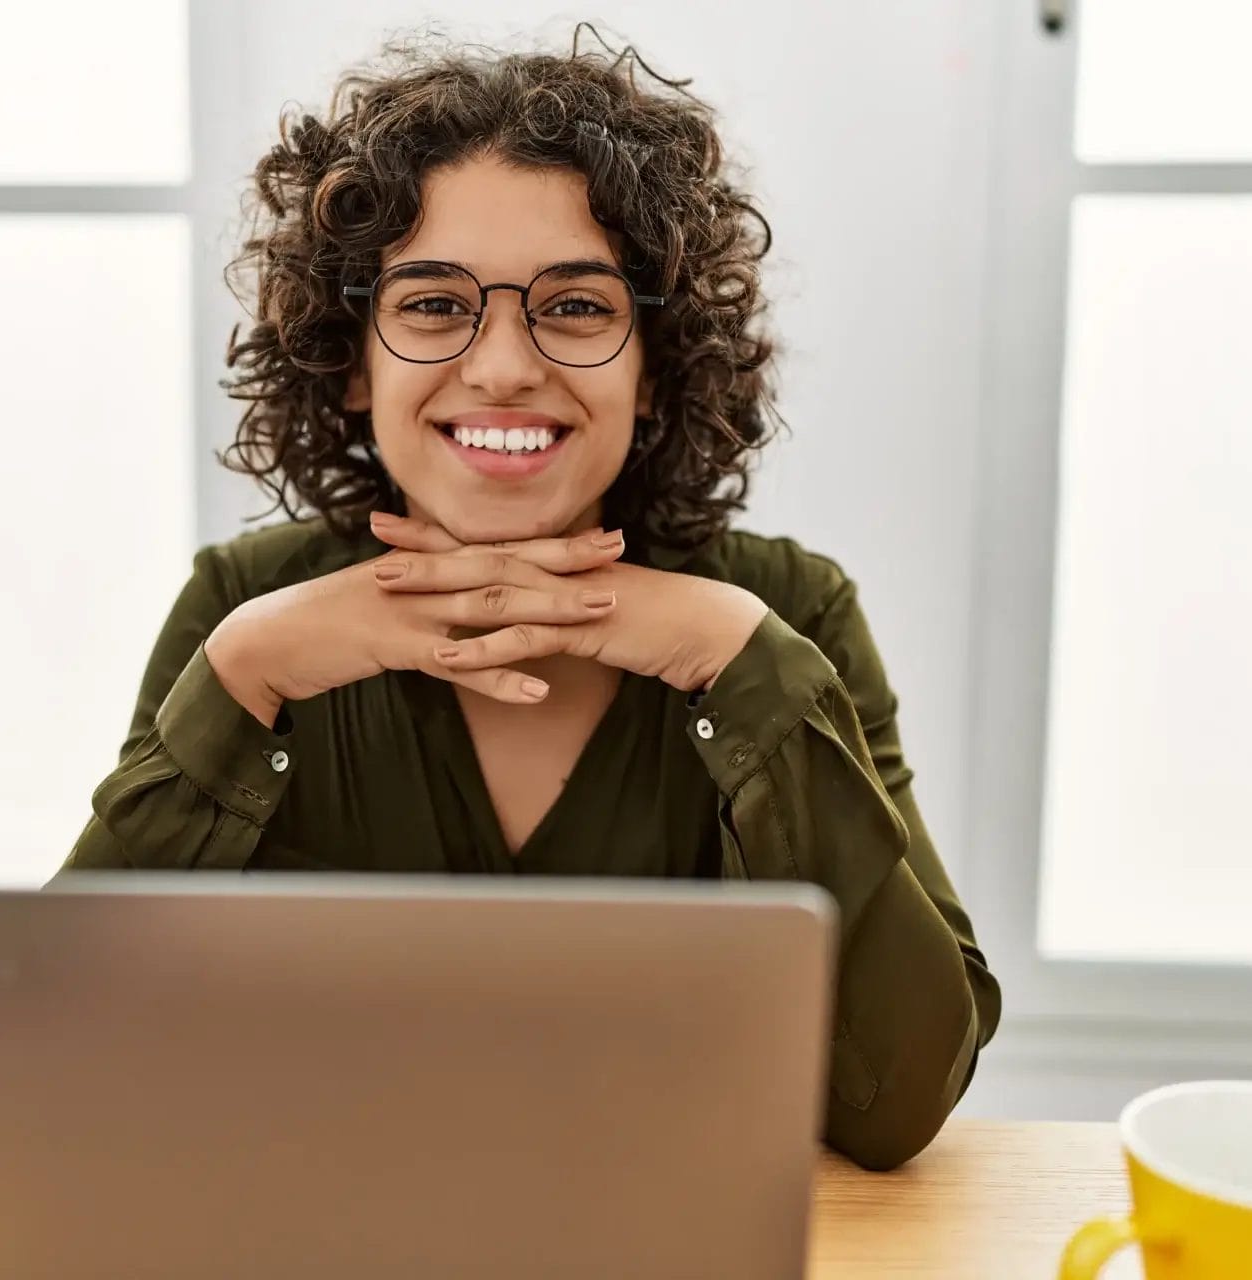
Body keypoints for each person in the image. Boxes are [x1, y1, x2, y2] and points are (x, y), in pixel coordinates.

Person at [61, 30, 1000, 1171]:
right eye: (433, 303)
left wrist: (736, 657)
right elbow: (56, 1048)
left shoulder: (784, 609)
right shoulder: (243, 609)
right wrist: (240, 680)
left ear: (654, 361)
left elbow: (898, 1098)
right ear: (353, 360)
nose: (503, 366)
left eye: (574, 307)